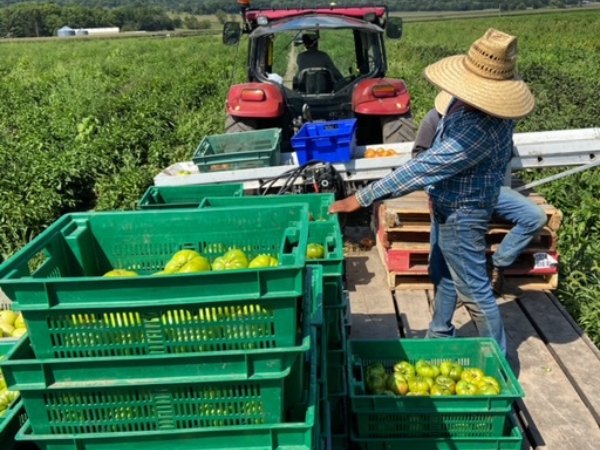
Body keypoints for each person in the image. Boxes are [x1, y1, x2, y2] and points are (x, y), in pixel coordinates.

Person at [329, 29, 536, 354]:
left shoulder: (478, 127)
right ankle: (440, 334)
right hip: (450, 204)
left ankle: (497, 360)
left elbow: (423, 166)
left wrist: (360, 197)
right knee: (442, 273)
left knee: (475, 292)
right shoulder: (473, 108)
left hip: (463, 214)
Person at [415, 91, 548, 294]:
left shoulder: (496, 121)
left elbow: (505, 155)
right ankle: (444, 290)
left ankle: (498, 264)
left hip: (489, 189)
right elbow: (419, 156)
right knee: (440, 250)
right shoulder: (434, 118)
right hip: (450, 193)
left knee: (535, 217)